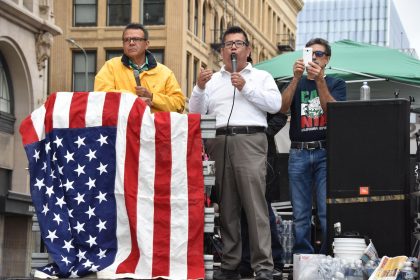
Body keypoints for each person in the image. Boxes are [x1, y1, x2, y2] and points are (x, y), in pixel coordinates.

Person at [189, 26, 282, 280]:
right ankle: (230, 264)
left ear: (248, 50)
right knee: (227, 207)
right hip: (218, 142)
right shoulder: (212, 80)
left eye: (238, 43)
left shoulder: (261, 77)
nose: (233, 47)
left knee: (255, 206)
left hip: (250, 140)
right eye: (228, 44)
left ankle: (263, 266)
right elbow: (195, 113)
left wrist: (245, 88)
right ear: (221, 51)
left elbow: (275, 105)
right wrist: (198, 87)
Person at [279, 38, 346, 255]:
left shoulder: (336, 83)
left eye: (319, 54)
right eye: (310, 53)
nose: (314, 57)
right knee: (300, 213)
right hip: (299, 151)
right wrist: (296, 78)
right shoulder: (296, 81)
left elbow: (336, 113)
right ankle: (303, 260)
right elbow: (282, 107)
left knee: (327, 211)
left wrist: (319, 82)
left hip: (325, 151)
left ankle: (327, 257)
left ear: (326, 59)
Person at [94, 23, 185, 113]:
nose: (131, 43)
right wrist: (135, 100)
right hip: (122, 126)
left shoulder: (165, 73)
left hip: (154, 126)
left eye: (136, 39)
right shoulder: (111, 66)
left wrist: (152, 97)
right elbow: (101, 96)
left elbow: (179, 105)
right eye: (127, 40)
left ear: (147, 44)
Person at [239, 111, 288, 280]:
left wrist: (260, 135)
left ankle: (275, 261)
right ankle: (244, 263)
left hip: (261, 152)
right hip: (238, 149)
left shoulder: (264, 85)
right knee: (240, 209)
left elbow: (280, 115)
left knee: (262, 210)